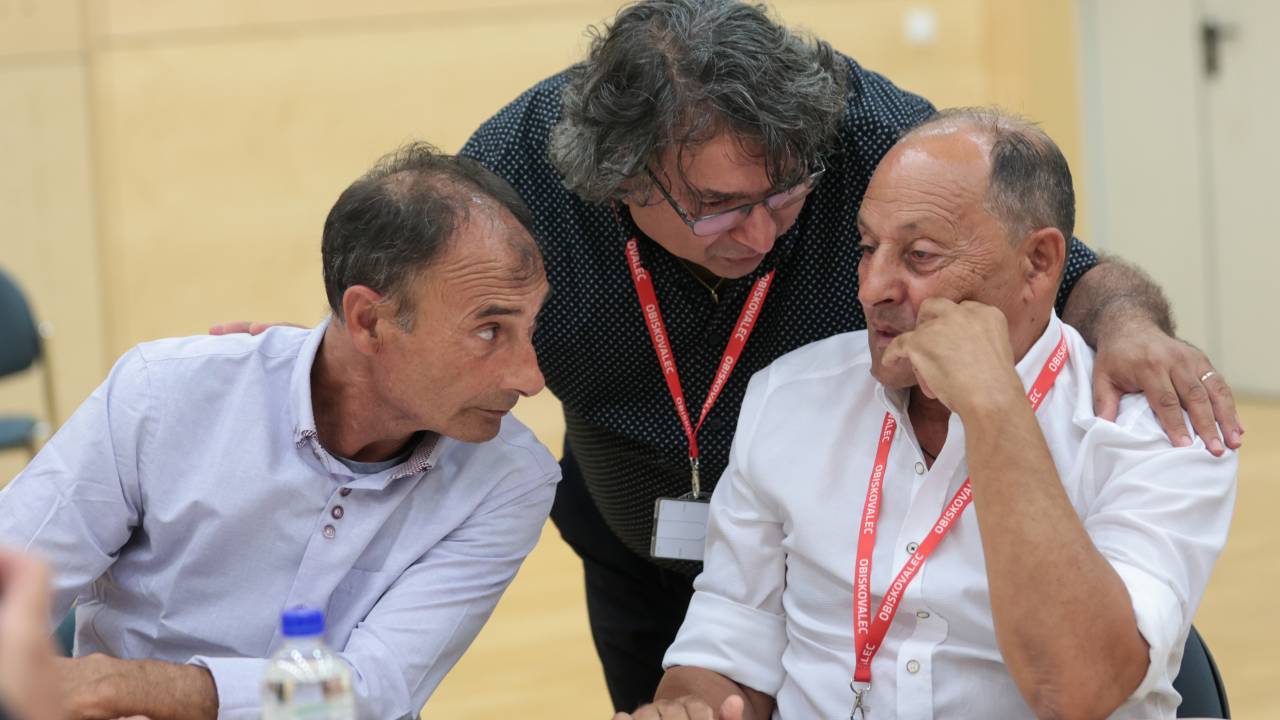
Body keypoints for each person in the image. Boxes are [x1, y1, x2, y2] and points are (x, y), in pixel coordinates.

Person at [453, 0, 1242, 709]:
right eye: (718, 208)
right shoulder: (517, 179)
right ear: (622, 183)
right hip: (638, 531)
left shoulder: (867, 136)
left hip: (872, 515)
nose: (761, 235)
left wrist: (1132, 325)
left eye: (784, 195)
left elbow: (1055, 266)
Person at [620, 109, 1237, 720]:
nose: (872, 288)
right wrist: (689, 708)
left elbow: (1079, 688)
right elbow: (731, 641)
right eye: (867, 248)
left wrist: (993, 405)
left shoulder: (1157, 426)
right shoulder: (789, 393)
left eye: (919, 256)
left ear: (1038, 263)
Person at [0, 143, 559, 720]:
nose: (531, 377)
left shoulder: (511, 478)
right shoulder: (162, 396)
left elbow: (368, 693)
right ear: (369, 321)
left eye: (531, 326)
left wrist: (127, 686)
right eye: (490, 331)